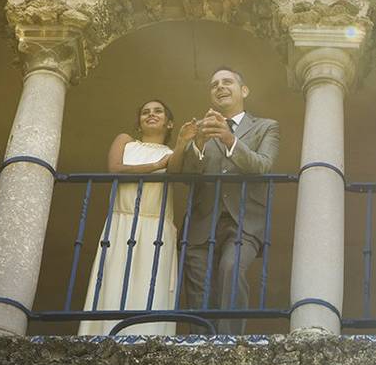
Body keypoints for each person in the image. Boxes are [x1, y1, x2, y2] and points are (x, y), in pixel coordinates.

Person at [78, 99, 193, 336]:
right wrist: (155, 165)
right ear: (139, 123)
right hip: (122, 222)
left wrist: (182, 143)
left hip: (155, 228)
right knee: (113, 281)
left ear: (170, 123)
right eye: (145, 112)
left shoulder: (172, 154)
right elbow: (115, 169)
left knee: (150, 288)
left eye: (158, 111)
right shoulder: (125, 141)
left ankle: (146, 340)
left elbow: (176, 170)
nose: (151, 114)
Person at [181, 66, 281, 334]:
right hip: (202, 220)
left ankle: (228, 342)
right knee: (198, 284)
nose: (220, 87)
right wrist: (198, 145)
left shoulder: (265, 127)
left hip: (244, 221)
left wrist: (228, 138)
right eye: (214, 84)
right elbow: (185, 174)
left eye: (227, 82)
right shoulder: (201, 129)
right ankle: (198, 346)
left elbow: (262, 165)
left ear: (243, 90)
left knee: (231, 268)